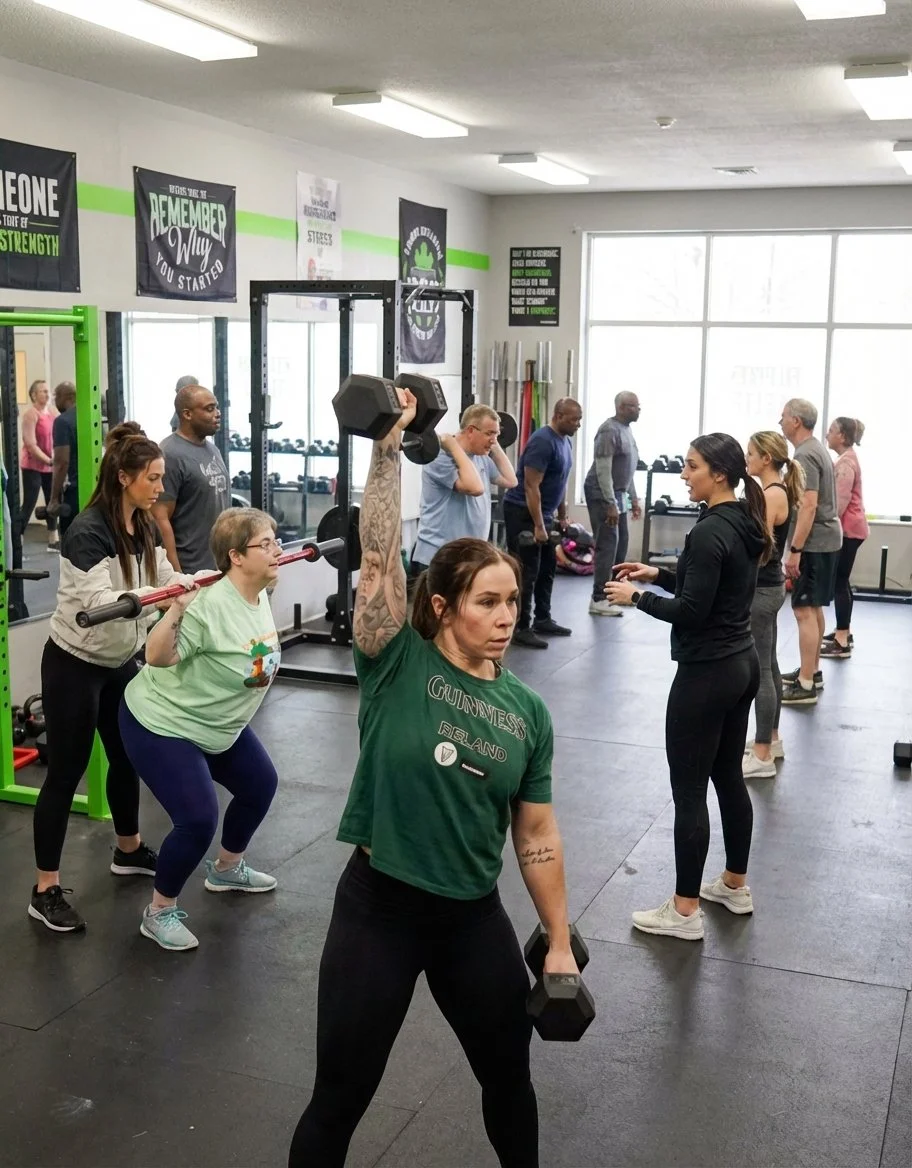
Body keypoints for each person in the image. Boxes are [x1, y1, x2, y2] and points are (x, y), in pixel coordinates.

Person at [288, 388, 576, 1167]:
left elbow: (536, 833)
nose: (507, 615)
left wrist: (556, 941)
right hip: (377, 912)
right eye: (488, 601)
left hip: (470, 919)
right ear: (444, 607)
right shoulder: (393, 663)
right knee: (339, 1097)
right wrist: (388, 446)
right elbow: (378, 553)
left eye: (513, 600)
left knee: (509, 1081)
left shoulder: (526, 714)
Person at [28, 423, 194, 933]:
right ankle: (45, 889)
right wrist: (156, 602)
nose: (159, 488)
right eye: (153, 478)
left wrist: (186, 585)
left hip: (118, 662)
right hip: (75, 664)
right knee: (65, 772)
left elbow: (163, 573)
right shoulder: (87, 531)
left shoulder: (141, 522)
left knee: (126, 757)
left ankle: (127, 849)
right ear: (125, 478)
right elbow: (100, 605)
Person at [606, 434, 770, 940]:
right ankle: (734, 886)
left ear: (718, 474)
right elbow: (711, 585)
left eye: (692, 467)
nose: (684, 474)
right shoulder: (745, 520)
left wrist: (638, 597)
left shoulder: (708, 531)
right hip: (742, 665)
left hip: (706, 675)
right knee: (727, 778)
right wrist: (659, 573)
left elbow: (693, 611)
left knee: (689, 791)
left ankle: (682, 912)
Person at [119, 507, 282, 952]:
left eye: (276, 540)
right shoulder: (209, 605)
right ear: (236, 556)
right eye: (264, 544)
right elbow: (156, 657)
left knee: (260, 784)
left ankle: (227, 868)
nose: (276, 549)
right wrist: (175, 610)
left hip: (216, 724)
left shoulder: (258, 590)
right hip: (162, 723)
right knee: (196, 820)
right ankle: (159, 911)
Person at [742, 432, 805, 779]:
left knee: (762, 670)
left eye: (750, 453)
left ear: (766, 458)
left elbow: (759, 550)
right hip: (771, 587)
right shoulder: (778, 490)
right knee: (771, 663)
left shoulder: (770, 495)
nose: (746, 458)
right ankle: (773, 739)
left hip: (763, 590)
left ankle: (762, 753)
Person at [502, 398, 583, 648]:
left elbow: (561, 482)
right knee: (526, 572)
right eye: (574, 420)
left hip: (544, 514)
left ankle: (543, 618)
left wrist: (561, 516)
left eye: (580, 419)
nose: (578, 424)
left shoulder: (565, 442)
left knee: (548, 568)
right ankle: (521, 627)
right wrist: (538, 525)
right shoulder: (542, 441)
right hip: (522, 512)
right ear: (558, 416)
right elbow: (531, 485)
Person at [778, 399, 842, 706]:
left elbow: (808, 505)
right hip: (825, 540)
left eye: (784, 417)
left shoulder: (804, 455)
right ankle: (811, 672)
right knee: (813, 608)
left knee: (803, 610)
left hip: (815, 543)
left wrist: (795, 550)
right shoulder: (817, 449)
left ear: (796, 422)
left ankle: (805, 685)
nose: (780, 421)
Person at [410, 403, 518, 575]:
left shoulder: (480, 456)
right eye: (489, 433)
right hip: (440, 557)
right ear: (470, 431)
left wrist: (493, 441)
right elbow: (474, 488)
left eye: (496, 434)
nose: (493, 440)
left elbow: (511, 480)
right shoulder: (439, 457)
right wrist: (453, 446)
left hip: (469, 557)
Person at [152, 384, 229, 573]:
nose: (217, 413)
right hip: (190, 570)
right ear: (187, 414)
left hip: (218, 566)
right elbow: (160, 519)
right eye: (209, 409)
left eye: (217, 407)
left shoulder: (212, 449)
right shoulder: (170, 454)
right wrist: (176, 575)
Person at [584, 391, 642, 617]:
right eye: (633, 407)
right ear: (620, 407)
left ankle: (615, 593)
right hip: (602, 492)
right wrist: (609, 502)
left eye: (639, 406)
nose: (638, 410)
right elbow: (603, 470)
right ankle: (598, 598)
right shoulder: (608, 430)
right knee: (607, 544)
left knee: (622, 543)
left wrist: (633, 498)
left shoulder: (626, 430)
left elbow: (627, 469)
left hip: (618, 494)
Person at [821, 417, 868, 660]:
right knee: (842, 581)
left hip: (849, 530)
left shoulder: (846, 464)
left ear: (842, 436)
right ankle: (844, 631)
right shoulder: (845, 460)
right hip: (852, 529)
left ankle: (841, 640)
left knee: (839, 582)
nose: (827, 434)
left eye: (831, 431)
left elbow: (838, 504)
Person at [18, 378, 59, 551]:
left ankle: (53, 540)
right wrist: (49, 460)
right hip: (32, 466)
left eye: (47, 390)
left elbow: (58, 438)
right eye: (43, 391)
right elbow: (30, 444)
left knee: (52, 500)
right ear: (34, 395)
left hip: (50, 466)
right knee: (29, 502)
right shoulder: (30, 415)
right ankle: (17, 540)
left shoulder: (52, 413)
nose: (47, 393)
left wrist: (55, 459)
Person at [47, 380, 79, 539]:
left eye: (55, 397)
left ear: (65, 397)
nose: (54, 401)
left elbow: (61, 462)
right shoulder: (92, 417)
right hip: (98, 491)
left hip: (74, 493)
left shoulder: (62, 421)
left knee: (70, 543)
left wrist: (53, 499)